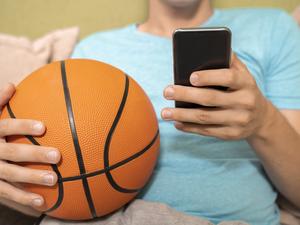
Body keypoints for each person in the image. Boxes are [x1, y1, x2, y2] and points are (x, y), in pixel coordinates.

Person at [0, 0, 300, 225]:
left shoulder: (272, 28)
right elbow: (63, 188)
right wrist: (11, 175)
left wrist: (264, 122)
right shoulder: (93, 52)